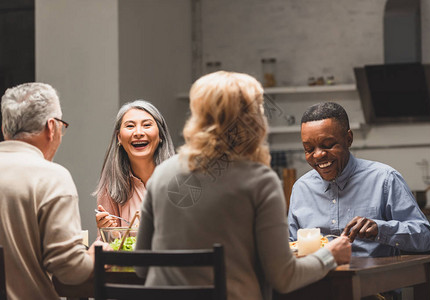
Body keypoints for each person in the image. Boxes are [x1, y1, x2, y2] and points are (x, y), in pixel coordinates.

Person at [135, 71, 351, 300]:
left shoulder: (161, 175)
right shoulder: (260, 181)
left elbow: (141, 267)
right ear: (253, 120)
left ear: (198, 116)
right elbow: (284, 277)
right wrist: (330, 256)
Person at [0, 82, 109, 300]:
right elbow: (70, 271)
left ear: (5, 129)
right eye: (61, 125)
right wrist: (95, 254)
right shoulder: (51, 177)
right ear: (51, 127)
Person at [288, 102, 430, 257]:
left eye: (328, 145)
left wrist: (381, 229)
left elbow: (426, 238)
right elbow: (289, 246)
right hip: (319, 279)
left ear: (348, 139)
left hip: (373, 279)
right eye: (309, 149)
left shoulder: (385, 179)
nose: (318, 155)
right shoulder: (301, 188)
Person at [93, 100, 175, 230]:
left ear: (161, 134)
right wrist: (107, 232)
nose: (138, 133)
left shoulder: (181, 177)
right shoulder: (111, 186)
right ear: (119, 137)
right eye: (130, 126)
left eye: (147, 125)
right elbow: (108, 244)